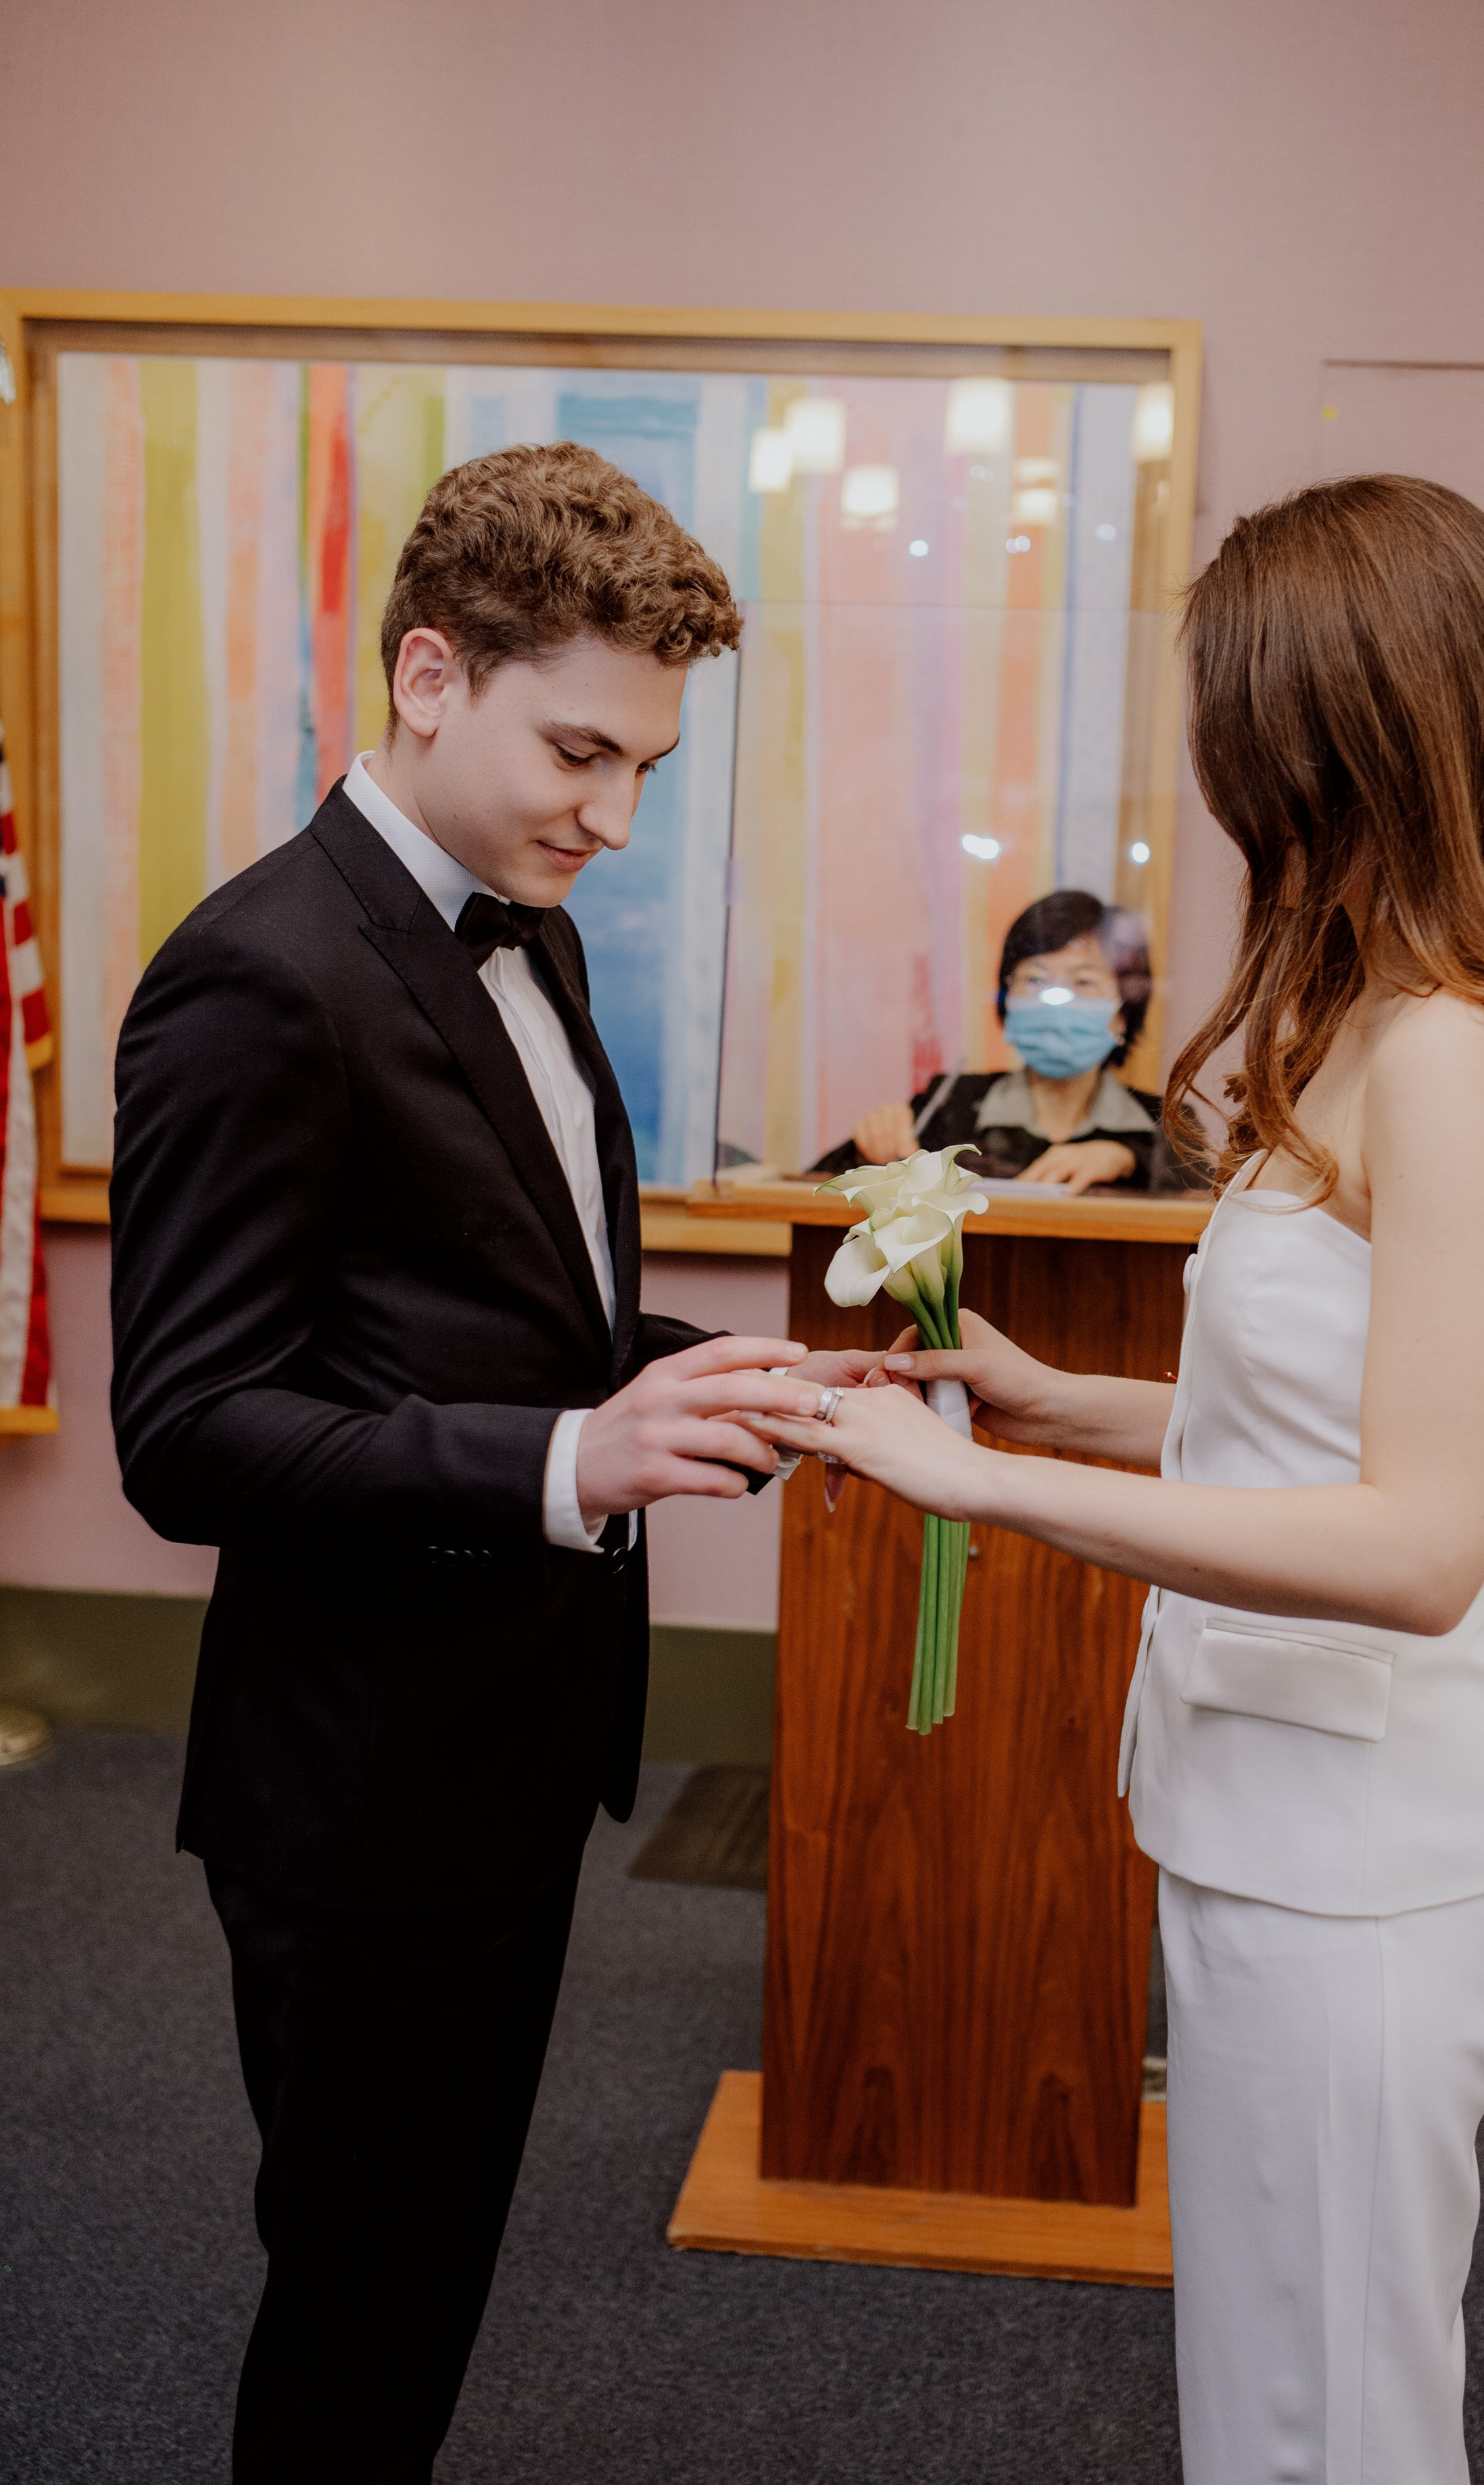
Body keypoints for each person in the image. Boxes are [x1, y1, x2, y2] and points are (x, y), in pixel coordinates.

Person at [757, 477, 1484, 2485]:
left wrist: (985, 1495)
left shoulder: (1449, 1054)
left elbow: (1419, 1541)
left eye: (1249, 752)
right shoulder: (1362, 1023)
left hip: (1362, 1844)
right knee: (1270, 2399)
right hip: (1258, 1803)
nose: (1228, 797)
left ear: (1353, 747)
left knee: (1331, 2428)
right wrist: (1033, 1399)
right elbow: (1294, 1428)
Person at [107, 444, 872, 2485]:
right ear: (430, 675)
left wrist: (715, 1378)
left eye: (646, 766)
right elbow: (185, 1430)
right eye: (580, 751)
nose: (616, 817)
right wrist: (565, 1455)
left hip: (508, 1755)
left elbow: (504, 1309)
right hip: (358, 1788)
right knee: (358, 2301)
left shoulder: (521, 928)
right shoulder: (258, 972)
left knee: (423, 2273)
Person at [818, 888, 1201, 1193]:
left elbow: (1210, 1209)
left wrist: (1129, 1158)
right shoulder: (950, 1104)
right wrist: (869, 1146)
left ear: (1123, 1011)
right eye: (1035, 980)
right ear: (1008, 999)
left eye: (1084, 982)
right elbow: (820, 1185)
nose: (1056, 1002)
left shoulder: (1167, 1123)